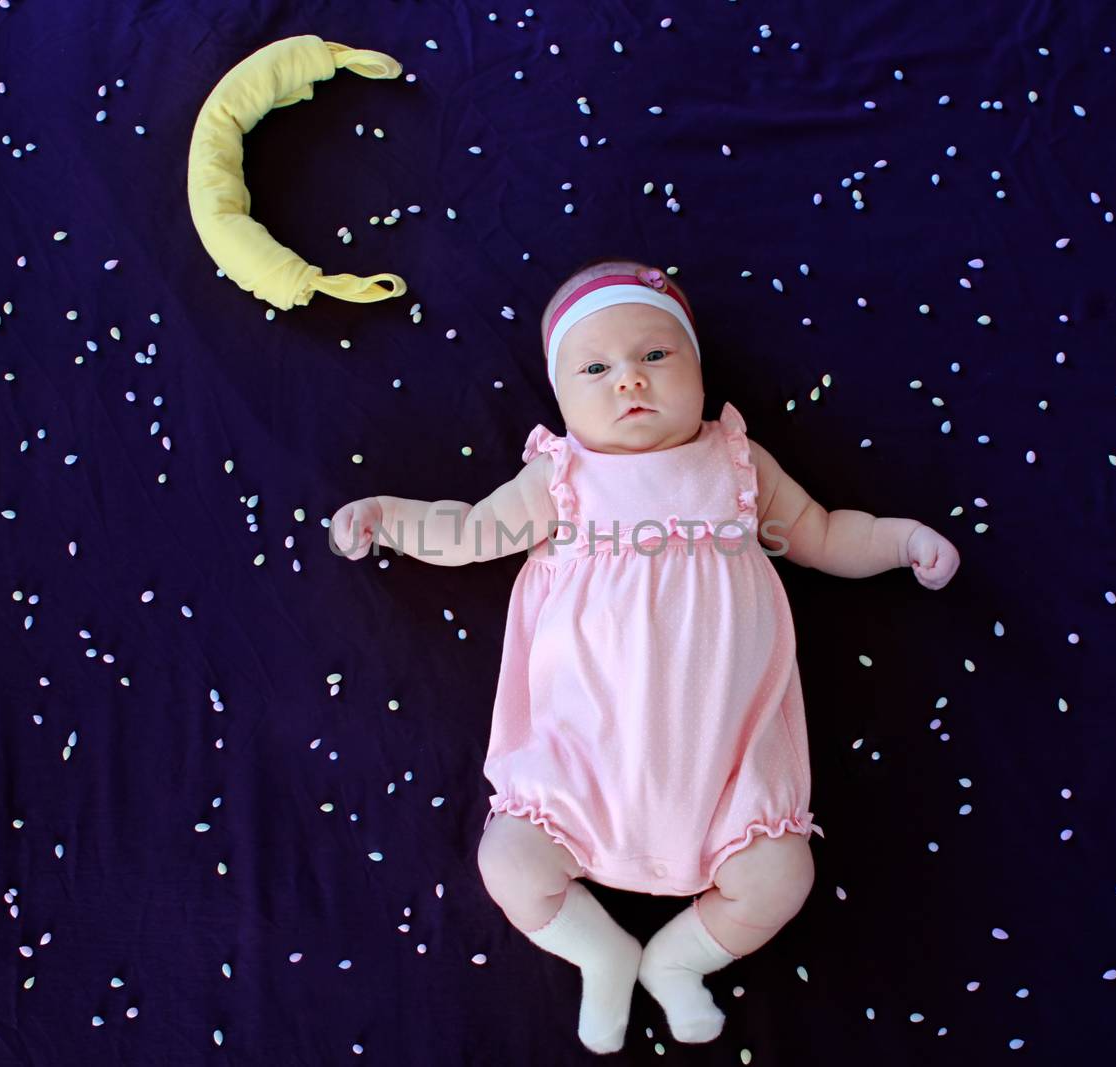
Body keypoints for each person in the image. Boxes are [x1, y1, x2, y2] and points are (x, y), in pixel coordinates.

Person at [330, 257, 960, 1055]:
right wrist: (388, 516)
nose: (629, 379)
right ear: (562, 398)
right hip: (582, 766)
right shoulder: (562, 478)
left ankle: (676, 961)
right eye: (596, 367)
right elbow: (467, 533)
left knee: (782, 876)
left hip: (724, 771)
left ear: (698, 371)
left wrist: (900, 541)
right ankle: (604, 954)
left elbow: (827, 533)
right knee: (510, 863)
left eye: (656, 355)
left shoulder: (737, 465)